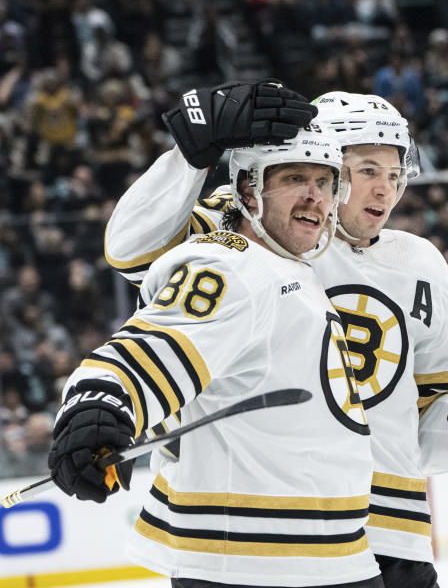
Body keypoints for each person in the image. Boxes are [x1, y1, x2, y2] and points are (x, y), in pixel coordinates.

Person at [103, 86, 448, 588]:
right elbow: (132, 252)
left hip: (390, 539)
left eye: (394, 174)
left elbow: (418, 429)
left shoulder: (423, 264)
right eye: (366, 172)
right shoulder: (261, 232)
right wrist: (191, 156)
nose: (385, 190)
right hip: (254, 536)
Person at [48, 127, 386, 587]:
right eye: (294, 179)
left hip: (327, 557)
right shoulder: (234, 266)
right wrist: (97, 406)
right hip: (250, 564)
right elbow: (151, 348)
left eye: (325, 183)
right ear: (248, 188)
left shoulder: (287, 269)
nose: (315, 198)